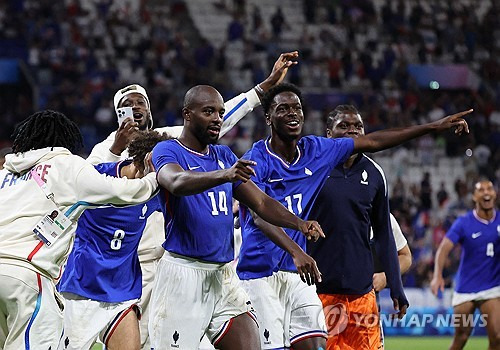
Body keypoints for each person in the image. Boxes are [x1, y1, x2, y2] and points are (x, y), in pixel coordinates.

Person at [86, 51, 299, 350]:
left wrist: (264, 86)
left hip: (176, 255)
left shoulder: (169, 139)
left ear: (149, 110)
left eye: (139, 103)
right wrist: (116, 149)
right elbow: (90, 185)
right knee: (139, 342)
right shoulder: (104, 150)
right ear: (116, 113)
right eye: (126, 105)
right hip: (131, 261)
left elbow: (218, 118)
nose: (134, 109)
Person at [238, 87, 470, 350]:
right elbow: (260, 213)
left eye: (297, 108)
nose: (292, 113)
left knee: (314, 345)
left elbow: (374, 142)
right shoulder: (256, 160)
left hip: (301, 278)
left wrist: (433, 127)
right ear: (268, 117)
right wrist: (297, 243)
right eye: (283, 108)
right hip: (263, 273)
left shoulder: (317, 152)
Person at [148, 85, 324, 350]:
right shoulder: (167, 150)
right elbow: (176, 181)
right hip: (182, 276)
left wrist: (299, 224)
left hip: (222, 276)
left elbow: (262, 202)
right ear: (187, 114)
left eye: (220, 112)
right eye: (208, 111)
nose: (217, 118)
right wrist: (225, 175)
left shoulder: (223, 155)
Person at [0, 110, 158, 350]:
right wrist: (155, 179)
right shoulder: (66, 165)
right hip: (28, 276)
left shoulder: (5, 174)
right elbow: (121, 192)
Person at [58, 130, 170, 350]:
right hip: (83, 288)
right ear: (145, 162)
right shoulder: (97, 178)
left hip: (123, 290)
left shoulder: (157, 190)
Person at [431, 179, 499, 350]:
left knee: (497, 337)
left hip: (491, 287)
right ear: (475, 197)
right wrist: (437, 275)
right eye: (481, 190)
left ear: (495, 194)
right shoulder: (464, 222)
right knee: (461, 337)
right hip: (465, 289)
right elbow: (443, 249)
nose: (486, 192)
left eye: (489, 189)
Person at [371, 213, 412, 348]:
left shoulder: (384, 217)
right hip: (334, 304)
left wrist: (386, 277)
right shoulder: (335, 212)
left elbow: (406, 256)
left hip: (369, 307)